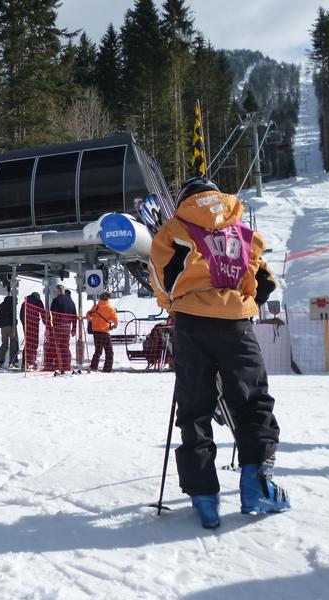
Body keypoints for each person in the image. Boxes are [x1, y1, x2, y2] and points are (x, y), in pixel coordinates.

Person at [149, 175, 289, 529]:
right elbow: (266, 282)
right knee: (252, 400)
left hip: (192, 323)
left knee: (195, 407)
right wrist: (242, 304)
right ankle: (256, 484)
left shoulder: (173, 229)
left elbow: (162, 279)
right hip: (236, 325)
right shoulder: (242, 231)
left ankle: (204, 497)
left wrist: (176, 305)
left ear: (184, 198)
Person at [86, 292, 118, 372]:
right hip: (104, 331)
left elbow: (88, 314)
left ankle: (93, 367)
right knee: (109, 352)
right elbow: (116, 320)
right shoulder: (110, 307)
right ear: (108, 298)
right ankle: (107, 369)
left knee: (98, 351)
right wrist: (113, 326)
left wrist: (91, 320)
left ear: (100, 298)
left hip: (96, 332)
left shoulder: (96, 307)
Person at [49, 284, 78, 373]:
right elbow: (74, 315)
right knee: (65, 347)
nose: (54, 293)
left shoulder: (56, 300)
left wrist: (49, 328)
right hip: (67, 327)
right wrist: (74, 328)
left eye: (55, 291)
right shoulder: (71, 301)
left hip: (58, 327)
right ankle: (67, 365)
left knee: (56, 346)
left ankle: (58, 366)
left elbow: (52, 315)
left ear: (58, 291)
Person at [19, 291, 46, 369]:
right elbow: (42, 312)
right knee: (34, 342)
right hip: (34, 324)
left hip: (27, 325)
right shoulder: (38, 301)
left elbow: (21, 315)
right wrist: (45, 322)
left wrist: (24, 324)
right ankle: (33, 361)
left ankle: (25, 363)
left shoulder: (25, 302)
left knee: (27, 343)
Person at [0, 294, 19, 368]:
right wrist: (15, 322)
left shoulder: (1, 305)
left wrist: (2, 321)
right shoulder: (12, 305)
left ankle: (0, 362)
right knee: (14, 342)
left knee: (4, 344)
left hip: (3, 328)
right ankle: (13, 362)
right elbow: (13, 316)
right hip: (11, 326)